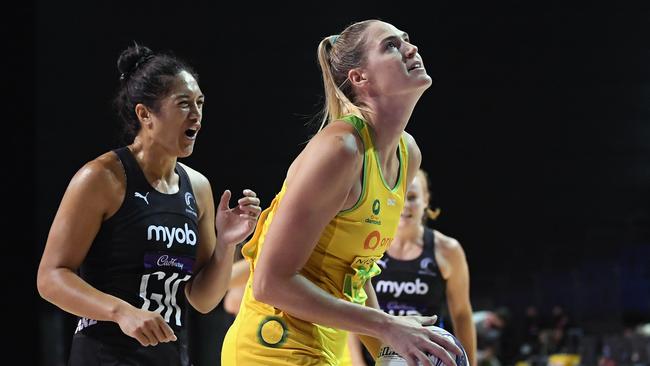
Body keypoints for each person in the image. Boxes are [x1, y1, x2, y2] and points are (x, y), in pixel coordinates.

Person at [221, 19, 462, 366]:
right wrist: (389, 326)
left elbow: (355, 276)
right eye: (391, 45)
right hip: (272, 348)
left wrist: (392, 352)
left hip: (327, 349)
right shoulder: (341, 149)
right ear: (359, 78)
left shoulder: (407, 154)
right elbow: (268, 283)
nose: (412, 49)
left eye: (407, 40)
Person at [36, 43, 261, 366]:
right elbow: (50, 278)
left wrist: (227, 244)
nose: (196, 115)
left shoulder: (197, 187)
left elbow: (203, 300)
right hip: (105, 355)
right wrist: (120, 311)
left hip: (169, 356)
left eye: (200, 103)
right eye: (183, 104)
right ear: (145, 114)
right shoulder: (101, 177)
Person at [347, 168, 477, 366]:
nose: (404, 204)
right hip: (376, 359)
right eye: (398, 196)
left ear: (426, 200)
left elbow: (461, 315)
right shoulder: (367, 244)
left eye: (413, 197)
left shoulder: (448, 250)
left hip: (427, 359)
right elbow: (353, 309)